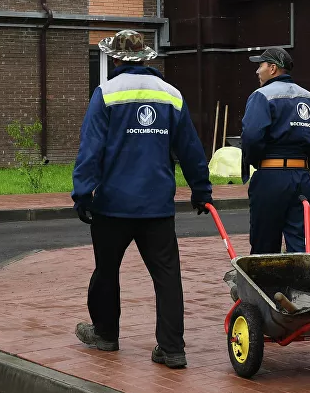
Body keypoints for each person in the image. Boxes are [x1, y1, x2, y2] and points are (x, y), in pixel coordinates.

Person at [71, 30, 212, 370]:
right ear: (147, 58)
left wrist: (82, 194)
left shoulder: (106, 93)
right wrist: (200, 190)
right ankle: (172, 348)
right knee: (166, 276)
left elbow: (90, 149)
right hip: (157, 206)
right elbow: (190, 149)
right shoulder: (171, 95)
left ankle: (106, 335)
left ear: (116, 59)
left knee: (107, 270)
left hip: (112, 204)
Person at [240, 47, 310, 254]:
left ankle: (267, 285)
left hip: (270, 177)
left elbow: (252, 137)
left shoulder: (261, 96)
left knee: (265, 245)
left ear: (272, 68)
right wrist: (302, 161)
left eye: (260, 65)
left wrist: (258, 161)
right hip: (301, 178)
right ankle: (302, 284)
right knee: (302, 244)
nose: (257, 71)